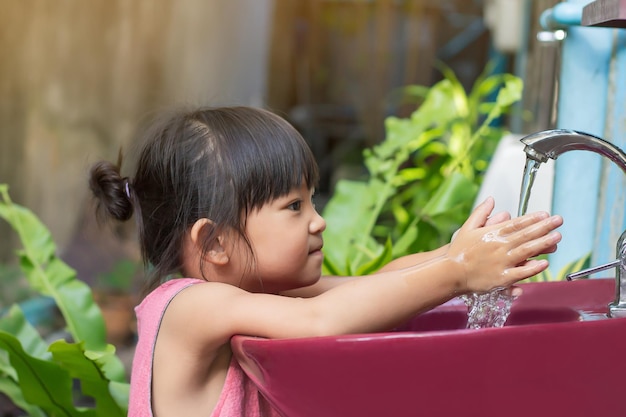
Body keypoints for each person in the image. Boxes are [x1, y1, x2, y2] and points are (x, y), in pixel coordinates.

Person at [89, 106, 563, 417]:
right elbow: (322, 319)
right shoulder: (190, 307)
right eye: (294, 207)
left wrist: (456, 253)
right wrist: (458, 271)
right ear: (214, 242)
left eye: (311, 202)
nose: (318, 222)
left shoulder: (252, 295)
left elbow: (368, 288)